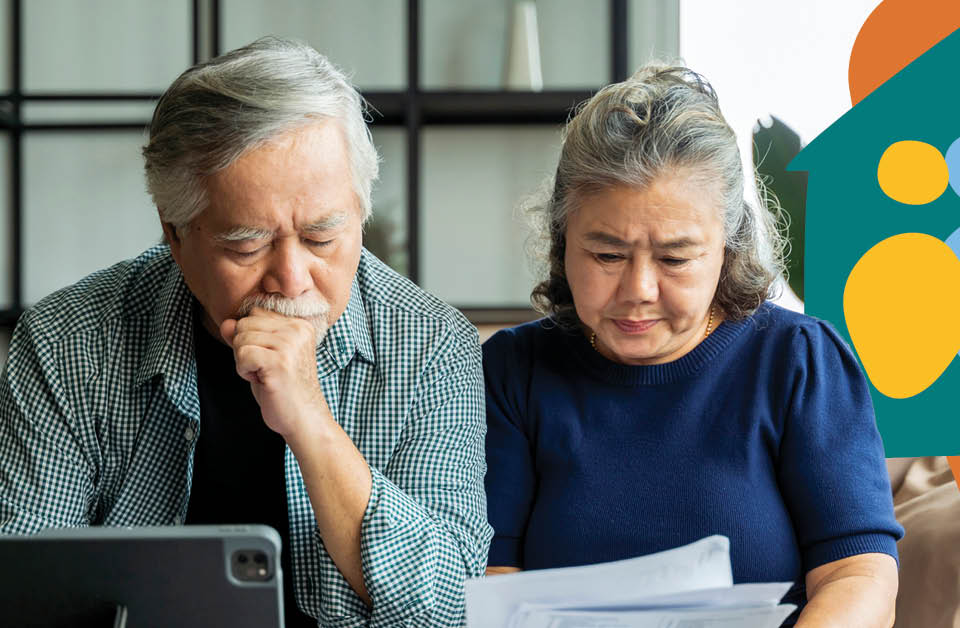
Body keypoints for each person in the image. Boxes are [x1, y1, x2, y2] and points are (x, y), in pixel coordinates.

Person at [0, 38, 491, 627]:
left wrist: (309, 421)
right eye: (247, 245)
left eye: (321, 238)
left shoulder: (432, 344)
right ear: (175, 232)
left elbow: (450, 608)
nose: (292, 279)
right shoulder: (68, 340)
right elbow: (23, 591)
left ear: (360, 211)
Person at [483, 64, 903, 627]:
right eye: (607, 255)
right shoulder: (514, 371)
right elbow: (493, 576)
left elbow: (858, 575)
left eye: (675, 258)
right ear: (563, 242)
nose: (638, 290)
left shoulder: (799, 361)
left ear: (728, 249)